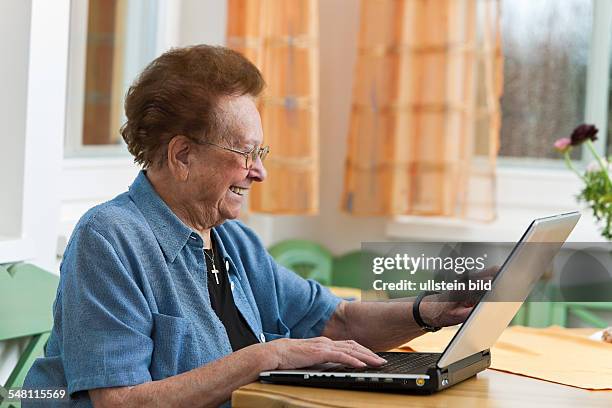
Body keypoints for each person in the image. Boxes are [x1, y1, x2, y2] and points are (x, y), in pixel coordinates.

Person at [24, 45, 474, 408]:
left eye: (262, 153)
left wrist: (430, 311)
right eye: (244, 153)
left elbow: (335, 321)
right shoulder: (109, 238)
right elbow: (119, 402)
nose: (259, 173)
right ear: (182, 156)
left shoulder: (232, 240)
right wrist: (268, 356)